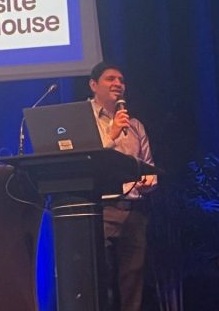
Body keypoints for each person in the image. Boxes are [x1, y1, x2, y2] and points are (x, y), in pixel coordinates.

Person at [88, 62, 157, 311]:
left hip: (134, 210)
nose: (118, 83)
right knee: (100, 279)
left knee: (133, 282)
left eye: (121, 80)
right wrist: (112, 134)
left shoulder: (135, 125)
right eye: (110, 79)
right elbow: (85, 160)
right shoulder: (83, 119)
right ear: (93, 85)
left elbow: (148, 167)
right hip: (99, 209)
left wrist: (149, 181)